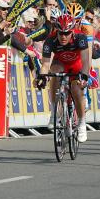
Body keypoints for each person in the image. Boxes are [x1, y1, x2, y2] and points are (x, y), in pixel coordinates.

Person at [34, 14, 90, 142]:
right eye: (61, 33)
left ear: (72, 31)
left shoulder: (80, 37)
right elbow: (46, 64)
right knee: (54, 73)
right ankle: (54, 112)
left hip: (77, 65)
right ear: (56, 31)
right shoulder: (50, 40)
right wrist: (42, 77)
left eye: (67, 33)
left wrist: (84, 75)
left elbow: (86, 60)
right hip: (60, 64)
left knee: (77, 90)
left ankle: (82, 123)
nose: (63, 37)